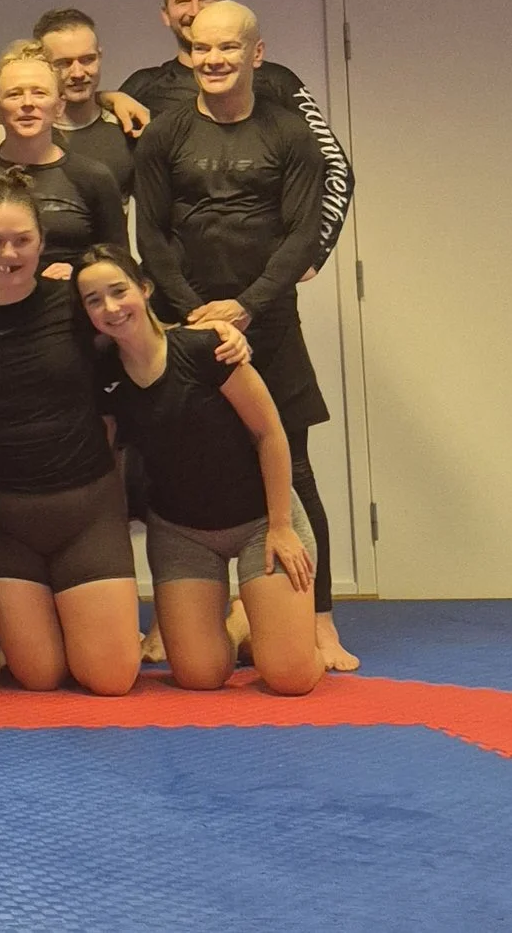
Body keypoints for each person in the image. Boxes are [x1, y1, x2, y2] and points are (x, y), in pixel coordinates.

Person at [134, 0, 355, 672]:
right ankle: (188, 614)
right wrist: (196, 313)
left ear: (256, 53)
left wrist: (249, 307)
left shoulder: (290, 134)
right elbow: (151, 236)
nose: (214, 59)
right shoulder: (165, 134)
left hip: (270, 322)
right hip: (185, 325)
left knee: (295, 467)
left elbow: (301, 235)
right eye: (202, 48)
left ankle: (320, 620)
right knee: (184, 460)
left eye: (228, 47)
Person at [0, 173, 141, 696]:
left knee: (111, 679)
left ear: (42, 242)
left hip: (86, 510)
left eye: (22, 240)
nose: (9, 253)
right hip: (0, 521)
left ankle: (82, 622)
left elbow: (148, 339)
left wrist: (217, 334)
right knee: (40, 677)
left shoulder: (76, 305)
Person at [75, 246, 321, 696]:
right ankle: (239, 622)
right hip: (181, 534)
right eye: (94, 300)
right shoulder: (104, 377)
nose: (110, 307)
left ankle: (255, 618)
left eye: (118, 291)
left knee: (290, 676)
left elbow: (270, 432)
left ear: (144, 289)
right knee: (199, 676)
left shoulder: (205, 347)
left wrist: (282, 526)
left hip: (261, 523)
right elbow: (110, 462)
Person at [117, 0, 353, 273]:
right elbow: (108, 177)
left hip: (260, 282)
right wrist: (106, 98)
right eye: (183, 1)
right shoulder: (142, 89)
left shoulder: (276, 81)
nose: (195, 10)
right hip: (175, 282)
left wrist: (314, 255)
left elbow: (336, 167)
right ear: (165, 14)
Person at [0, 40, 128, 289]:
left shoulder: (94, 177)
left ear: (59, 106)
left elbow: (119, 261)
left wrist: (81, 272)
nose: (28, 103)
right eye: (14, 94)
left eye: (39, 93)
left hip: (73, 307)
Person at [30, 9, 135, 195]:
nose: (78, 73)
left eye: (88, 60)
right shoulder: (16, 131)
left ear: (100, 57)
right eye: (64, 63)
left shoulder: (126, 126)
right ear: (41, 64)